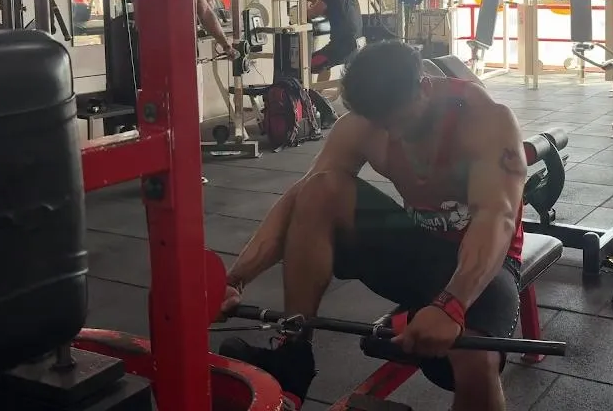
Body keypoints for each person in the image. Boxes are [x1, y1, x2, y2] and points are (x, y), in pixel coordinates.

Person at [216, 40, 527, 411]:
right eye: (382, 125)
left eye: (400, 121)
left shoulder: (485, 121)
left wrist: (452, 305)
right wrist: (234, 279)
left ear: (424, 88)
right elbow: (301, 199)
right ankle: (293, 355)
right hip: (419, 248)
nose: (392, 135)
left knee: (476, 360)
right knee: (319, 189)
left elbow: (496, 216)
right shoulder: (365, 123)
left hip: (486, 260)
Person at [305, 0, 362, 76]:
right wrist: (317, 2)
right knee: (318, 62)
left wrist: (306, 5)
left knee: (302, 65)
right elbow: (336, 10)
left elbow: (311, 14)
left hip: (339, 49)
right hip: (355, 47)